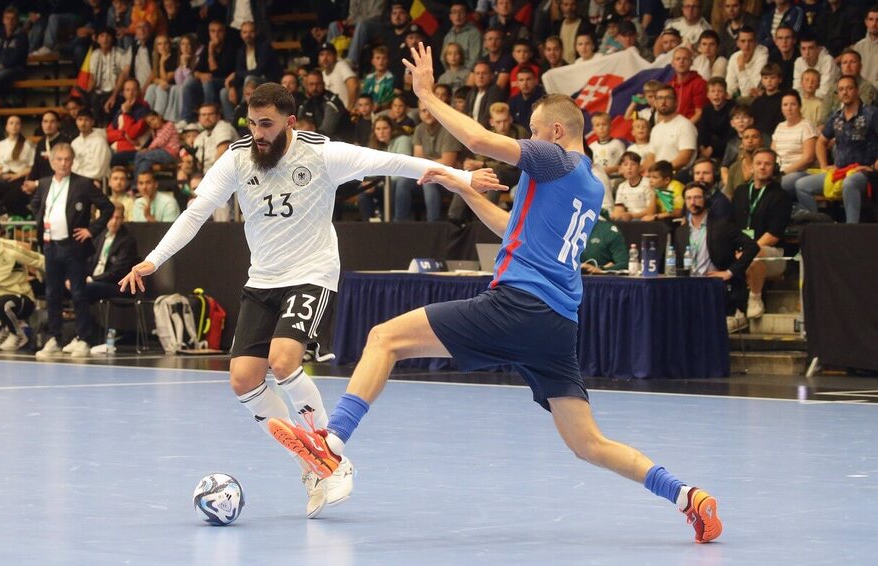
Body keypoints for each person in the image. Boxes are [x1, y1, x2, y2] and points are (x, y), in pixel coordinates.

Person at [269, 42, 723, 545]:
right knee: (588, 443)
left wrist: (427, 95)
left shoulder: (553, 159)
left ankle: (332, 445)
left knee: (383, 339)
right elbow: (515, 231)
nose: (527, 142)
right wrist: (465, 189)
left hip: (517, 305)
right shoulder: (590, 185)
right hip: (556, 324)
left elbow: (481, 139)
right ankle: (689, 497)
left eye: (531, 132)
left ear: (554, 132)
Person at [117, 82, 504, 520]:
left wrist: (464, 178)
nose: (258, 133)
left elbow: (394, 161)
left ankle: (329, 457)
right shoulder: (237, 158)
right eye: (252, 123)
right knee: (244, 379)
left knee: (283, 361)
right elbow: (196, 211)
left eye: (267, 124)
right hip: (262, 279)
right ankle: (310, 463)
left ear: (290, 122)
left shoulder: (322, 153)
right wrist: (152, 260)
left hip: (311, 274)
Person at [31, 143, 114, 358]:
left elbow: (107, 207)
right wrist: (42, 223)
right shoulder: (44, 183)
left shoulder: (82, 184)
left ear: (72, 160)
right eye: (59, 159)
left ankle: (84, 338)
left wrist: (91, 230)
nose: (63, 163)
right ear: (51, 161)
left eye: (67, 159)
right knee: (52, 294)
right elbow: (35, 205)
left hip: (73, 246)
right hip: (51, 245)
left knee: (78, 292)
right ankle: (54, 338)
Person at [674, 182, 759, 333]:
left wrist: (730, 272)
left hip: (714, 286)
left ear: (706, 199)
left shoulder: (722, 225)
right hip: (690, 287)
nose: (692, 202)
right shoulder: (680, 232)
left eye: (697, 197)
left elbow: (752, 247)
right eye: (688, 198)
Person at [794, 76, 878, 224]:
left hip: (865, 172)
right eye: (841, 89)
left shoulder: (871, 113)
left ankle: (851, 231)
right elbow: (821, 142)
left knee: (850, 183)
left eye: (849, 88)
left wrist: (873, 166)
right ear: (838, 94)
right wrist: (823, 166)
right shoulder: (836, 116)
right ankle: (821, 227)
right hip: (840, 171)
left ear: (857, 91)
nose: (845, 92)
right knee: (801, 185)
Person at [730, 148, 792, 319]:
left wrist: (747, 251)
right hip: (742, 249)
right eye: (758, 163)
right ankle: (732, 306)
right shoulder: (741, 192)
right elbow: (732, 226)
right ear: (752, 167)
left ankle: (755, 298)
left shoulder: (781, 196)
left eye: (767, 164)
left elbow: (774, 234)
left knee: (754, 254)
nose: (762, 167)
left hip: (771, 253)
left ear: (774, 168)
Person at [0, 215, 45, 351]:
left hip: (22, 299)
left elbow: (40, 260)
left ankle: (18, 335)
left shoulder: (11, 249)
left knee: (0, 303)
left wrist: (65, 277)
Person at [85, 202, 138, 302]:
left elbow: (116, 272)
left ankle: (85, 317)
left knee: (86, 288)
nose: (114, 222)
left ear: (123, 219)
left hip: (115, 284)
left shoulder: (127, 241)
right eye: (111, 217)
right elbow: (87, 260)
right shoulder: (99, 235)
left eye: (117, 218)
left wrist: (92, 279)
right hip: (93, 280)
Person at [771, 91, 817, 197]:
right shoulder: (779, 127)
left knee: (783, 182)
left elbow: (808, 158)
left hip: (800, 172)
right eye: (785, 105)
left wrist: (784, 173)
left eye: (793, 104)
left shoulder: (806, 126)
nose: (789, 108)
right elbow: (772, 153)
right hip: (780, 171)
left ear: (799, 106)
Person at [70, 109, 112, 184]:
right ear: (76, 122)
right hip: (76, 181)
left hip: (94, 181)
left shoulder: (100, 142)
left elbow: (100, 169)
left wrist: (82, 179)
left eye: (86, 120)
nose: (83, 123)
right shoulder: (74, 143)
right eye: (80, 120)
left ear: (92, 122)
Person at [725, 26, 768, 99]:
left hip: (757, 100)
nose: (746, 45)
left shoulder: (762, 54)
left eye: (750, 41)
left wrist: (741, 68)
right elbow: (729, 87)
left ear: (756, 42)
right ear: (737, 43)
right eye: (743, 41)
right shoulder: (734, 57)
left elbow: (749, 92)